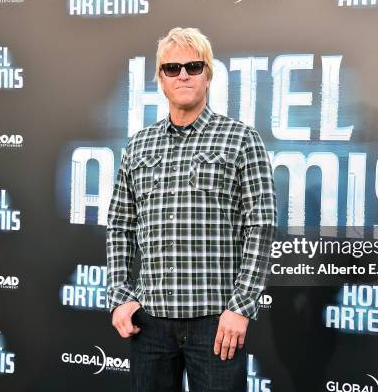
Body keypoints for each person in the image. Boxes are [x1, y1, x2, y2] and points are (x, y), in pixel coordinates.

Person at [106, 27, 277, 392]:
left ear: (208, 74)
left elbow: (260, 226)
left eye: (193, 66)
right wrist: (119, 295)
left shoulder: (242, 140)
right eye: (172, 68)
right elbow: (120, 225)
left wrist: (241, 307)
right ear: (160, 79)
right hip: (149, 323)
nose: (183, 74)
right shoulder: (138, 146)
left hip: (216, 323)